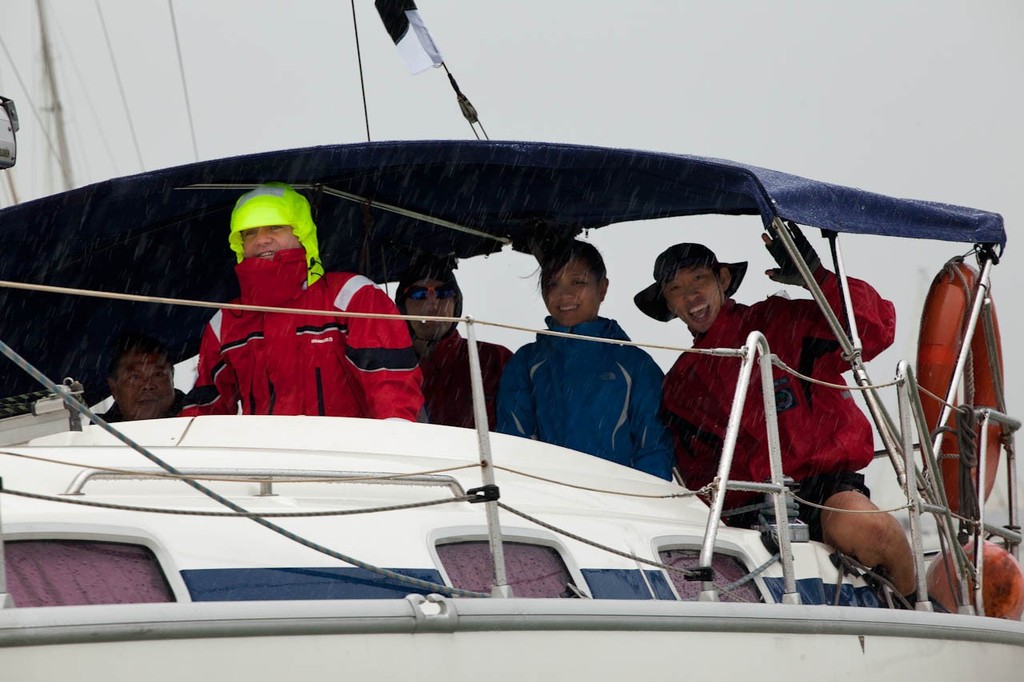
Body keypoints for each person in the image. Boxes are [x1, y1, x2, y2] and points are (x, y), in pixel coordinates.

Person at [634, 227, 915, 595]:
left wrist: (817, 277)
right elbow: (698, 475)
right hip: (745, 512)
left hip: (823, 488)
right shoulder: (680, 385)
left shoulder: (781, 320)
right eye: (675, 289)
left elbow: (873, 330)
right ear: (669, 305)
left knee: (867, 530)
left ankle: (919, 606)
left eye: (699, 278)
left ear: (722, 279)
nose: (691, 295)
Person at [181, 182, 423, 420]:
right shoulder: (226, 323)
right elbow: (204, 411)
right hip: (265, 458)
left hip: (350, 455)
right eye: (250, 232)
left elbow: (391, 385)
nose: (262, 239)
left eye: (274, 227)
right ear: (240, 245)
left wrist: (393, 436)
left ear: (301, 233)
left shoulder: (353, 298)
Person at [498, 239, 674, 480]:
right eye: (552, 284)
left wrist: (643, 504)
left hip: (622, 505)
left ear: (602, 288)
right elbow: (513, 443)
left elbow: (654, 448)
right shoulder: (526, 363)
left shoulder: (635, 364)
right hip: (544, 504)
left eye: (577, 282)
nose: (565, 294)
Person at [394, 256, 512, 429]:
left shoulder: (494, 359)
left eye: (443, 293)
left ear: (456, 302)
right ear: (402, 307)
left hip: (482, 456)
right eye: (419, 294)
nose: (433, 304)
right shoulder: (388, 367)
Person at [100, 332, 184, 422]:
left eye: (158, 374)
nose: (147, 385)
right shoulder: (96, 432)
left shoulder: (198, 418)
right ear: (114, 388)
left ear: (172, 378)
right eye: (135, 377)